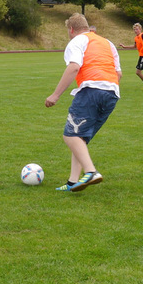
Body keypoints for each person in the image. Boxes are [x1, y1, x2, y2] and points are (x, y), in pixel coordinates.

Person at [45, 13, 122, 192]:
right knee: (80, 139)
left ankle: (91, 172)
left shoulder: (77, 41)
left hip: (91, 91)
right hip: (111, 94)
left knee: (70, 136)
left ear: (71, 30)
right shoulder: (107, 43)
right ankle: (73, 182)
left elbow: (74, 67)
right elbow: (118, 74)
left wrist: (55, 95)